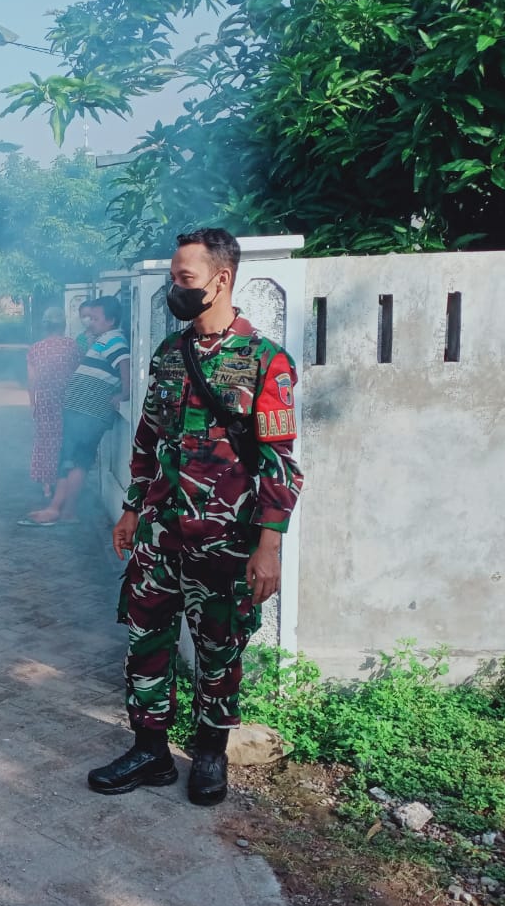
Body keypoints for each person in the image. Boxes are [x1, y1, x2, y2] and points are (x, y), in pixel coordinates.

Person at [87, 228, 304, 806]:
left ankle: (210, 753)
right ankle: (150, 751)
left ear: (221, 279)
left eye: (185, 279)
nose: (175, 290)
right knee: (146, 640)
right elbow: (148, 437)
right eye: (173, 279)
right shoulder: (169, 353)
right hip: (160, 533)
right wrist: (132, 509)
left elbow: (281, 465)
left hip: (225, 541)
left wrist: (268, 547)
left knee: (218, 651)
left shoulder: (265, 361)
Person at [19, 296, 129, 527]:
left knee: (76, 460)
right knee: (69, 459)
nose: (89, 323)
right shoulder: (96, 340)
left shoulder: (115, 339)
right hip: (79, 408)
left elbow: (124, 364)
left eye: (94, 318)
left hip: (89, 410)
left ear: (111, 320)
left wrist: (125, 392)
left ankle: (60, 510)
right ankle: (61, 510)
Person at [26, 306, 82, 498]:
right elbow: (80, 375)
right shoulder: (73, 346)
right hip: (69, 400)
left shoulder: (35, 349)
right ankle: (65, 483)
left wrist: (33, 403)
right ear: (63, 325)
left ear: (45, 326)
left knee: (46, 441)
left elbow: (32, 380)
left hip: (45, 401)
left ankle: (47, 486)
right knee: (67, 440)